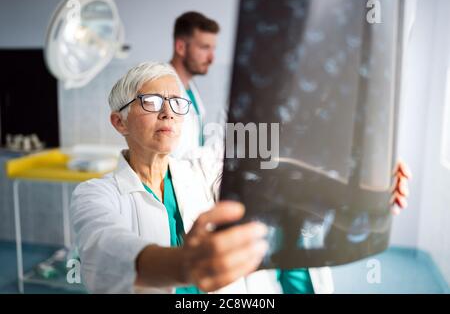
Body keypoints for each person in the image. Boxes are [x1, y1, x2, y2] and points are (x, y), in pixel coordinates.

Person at [70, 62, 410, 294]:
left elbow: (273, 148)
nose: (168, 111)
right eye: (152, 101)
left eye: (176, 102)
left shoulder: (202, 167)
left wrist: (363, 170)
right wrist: (183, 265)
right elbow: (103, 249)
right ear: (119, 122)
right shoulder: (95, 195)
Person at [168, 11, 220, 159]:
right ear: (181, 48)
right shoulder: (161, 90)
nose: (211, 58)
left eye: (213, 48)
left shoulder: (190, 86)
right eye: (204, 47)